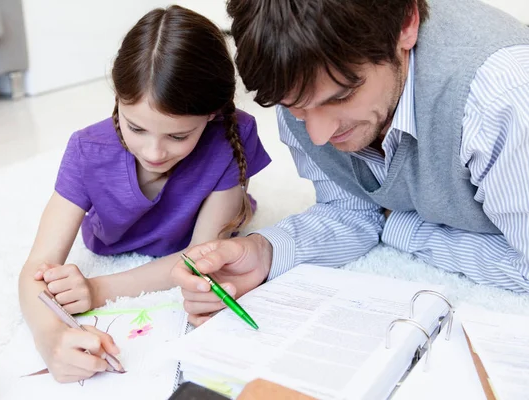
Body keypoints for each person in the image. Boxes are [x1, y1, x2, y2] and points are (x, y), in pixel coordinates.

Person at [172, 0, 529, 327]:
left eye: (341, 96)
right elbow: (350, 207)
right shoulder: (297, 86)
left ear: (406, 24)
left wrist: (402, 228)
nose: (317, 135)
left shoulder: (501, 99)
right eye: (295, 106)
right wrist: (263, 252)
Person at [18, 5, 271, 382]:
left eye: (178, 136)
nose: (154, 153)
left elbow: (199, 260)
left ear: (213, 115)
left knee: (233, 230)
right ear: (118, 97)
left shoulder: (233, 135)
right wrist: (51, 336)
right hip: (114, 241)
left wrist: (96, 288)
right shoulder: (88, 150)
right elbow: (35, 270)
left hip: (210, 230)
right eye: (136, 127)